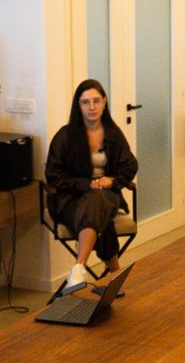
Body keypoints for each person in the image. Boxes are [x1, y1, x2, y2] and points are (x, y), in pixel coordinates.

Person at [44, 78, 138, 292]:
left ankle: (79, 268)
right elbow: (53, 175)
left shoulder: (113, 134)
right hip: (70, 199)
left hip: (106, 194)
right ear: (78, 105)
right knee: (98, 209)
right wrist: (88, 184)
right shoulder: (65, 136)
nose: (92, 107)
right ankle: (114, 273)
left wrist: (112, 181)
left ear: (104, 102)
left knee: (98, 200)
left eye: (96, 101)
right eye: (86, 102)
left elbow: (130, 165)